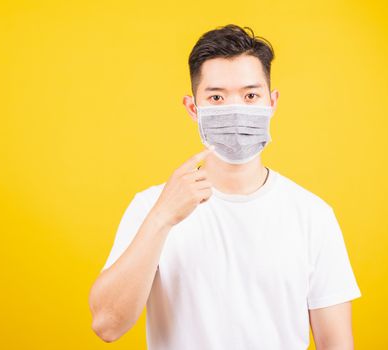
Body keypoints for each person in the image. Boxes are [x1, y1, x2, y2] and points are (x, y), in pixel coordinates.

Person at [88, 24, 361, 349]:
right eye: (217, 97)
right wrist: (162, 218)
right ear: (193, 108)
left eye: (250, 95)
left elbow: (337, 344)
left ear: (271, 102)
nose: (236, 109)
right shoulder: (151, 207)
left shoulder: (313, 215)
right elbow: (107, 324)